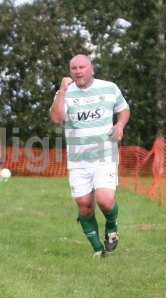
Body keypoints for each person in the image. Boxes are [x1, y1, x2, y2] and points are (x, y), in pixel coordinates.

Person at [50, 54, 130, 257]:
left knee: (105, 200)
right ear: (70, 71)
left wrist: (119, 125)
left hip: (105, 155)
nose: (78, 71)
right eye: (74, 68)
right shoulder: (65, 93)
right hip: (78, 161)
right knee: (85, 206)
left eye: (82, 67)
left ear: (91, 69)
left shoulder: (109, 87)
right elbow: (57, 118)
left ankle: (112, 227)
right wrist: (61, 91)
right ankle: (98, 251)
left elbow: (124, 109)